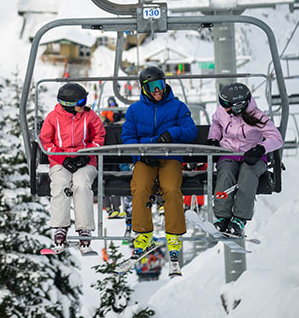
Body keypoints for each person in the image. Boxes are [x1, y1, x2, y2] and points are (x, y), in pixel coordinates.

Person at [121, 66, 197, 265]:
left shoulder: (177, 107)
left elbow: (191, 130)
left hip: (170, 156)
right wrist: (141, 153)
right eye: (153, 86)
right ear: (144, 87)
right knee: (140, 187)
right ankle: (143, 233)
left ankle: (173, 234)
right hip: (145, 158)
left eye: (161, 85)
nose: (158, 90)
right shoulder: (135, 110)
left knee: (171, 188)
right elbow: (127, 138)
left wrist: (173, 133)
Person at [207, 83, 283, 237]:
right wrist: (213, 138)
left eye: (226, 105)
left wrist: (260, 149)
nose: (223, 108)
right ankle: (222, 217)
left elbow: (276, 138)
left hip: (253, 157)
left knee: (247, 176)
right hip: (229, 153)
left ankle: (240, 219)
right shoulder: (223, 112)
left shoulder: (258, 116)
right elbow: (216, 122)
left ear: (238, 106)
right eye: (222, 104)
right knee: (226, 173)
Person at [39, 83, 106, 253]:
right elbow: (45, 142)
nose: (85, 104)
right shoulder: (53, 118)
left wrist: (87, 153)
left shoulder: (89, 116)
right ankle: (60, 228)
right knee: (61, 184)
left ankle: (84, 229)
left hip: (86, 161)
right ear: (68, 105)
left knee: (81, 185)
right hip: (60, 162)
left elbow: (100, 135)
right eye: (81, 101)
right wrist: (62, 159)